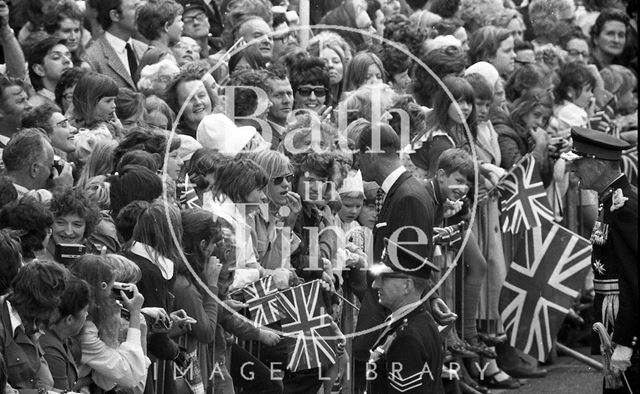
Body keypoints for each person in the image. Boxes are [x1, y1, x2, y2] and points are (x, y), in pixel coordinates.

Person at [564, 126, 639, 394]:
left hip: (626, 326)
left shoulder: (625, 208)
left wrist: (626, 342)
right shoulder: (609, 203)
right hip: (613, 320)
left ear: (596, 166)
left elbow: (634, 278)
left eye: (578, 164)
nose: (573, 171)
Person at [367, 239, 444, 393]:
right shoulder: (422, 320)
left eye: (384, 278)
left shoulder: (406, 338)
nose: (375, 284)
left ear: (407, 285)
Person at [70, 254, 150, 393]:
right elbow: (132, 380)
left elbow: (106, 381)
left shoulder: (92, 319)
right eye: (116, 291)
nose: (118, 300)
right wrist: (135, 318)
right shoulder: (85, 329)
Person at [0, 260, 70, 393]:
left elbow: (41, 378)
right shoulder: (4, 326)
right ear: (40, 303)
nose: (57, 307)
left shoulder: (29, 321)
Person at [40, 277, 91, 391]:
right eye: (84, 311)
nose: (86, 315)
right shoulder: (50, 351)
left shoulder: (59, 338)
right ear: (69, 319)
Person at [84, 0, 149, 90]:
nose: (141, 14)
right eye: (135, 8)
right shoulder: (92, 59)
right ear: (115, 15)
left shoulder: (144, 49)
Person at [2, 128, 74, 199]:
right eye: (50, 167)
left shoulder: (5, 195)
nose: (51, 174)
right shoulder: (22, 205)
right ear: (35, 169)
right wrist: (63, 190)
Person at [27, 36, 73, 107]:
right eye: (56, 57)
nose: (67, 60)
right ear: (39, 69)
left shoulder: (78, 96)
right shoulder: (35, 106)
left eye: (68, 55)